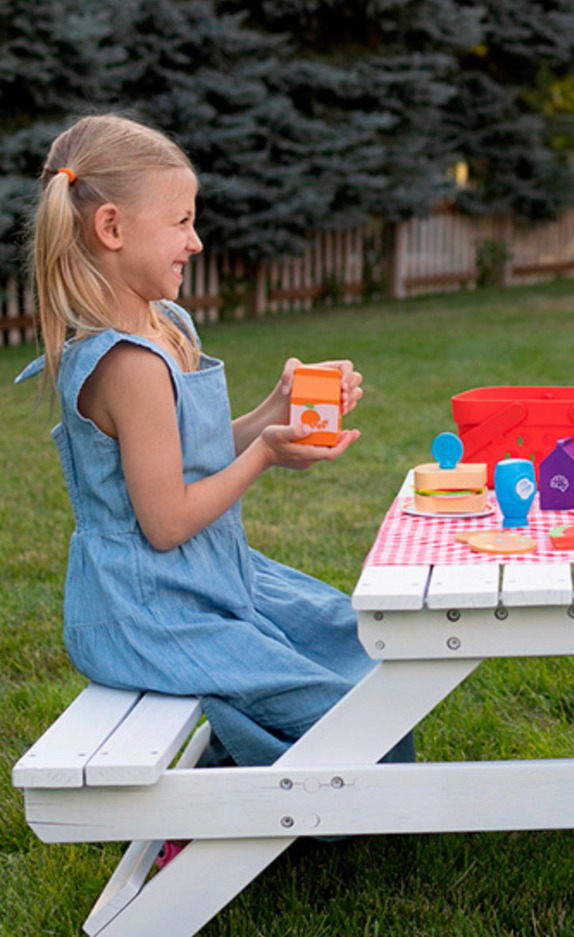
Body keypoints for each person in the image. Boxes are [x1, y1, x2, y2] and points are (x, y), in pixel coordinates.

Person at [17, 113, 413, 770]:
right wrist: (265, 454)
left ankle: (240, 778)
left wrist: (273, 412)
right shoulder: (127, 365)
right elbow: (167, 521)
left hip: (210, 577)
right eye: (180, 222)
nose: (196, 241)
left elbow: (187, 458)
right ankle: (211, 807)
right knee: (347, 713)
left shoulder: (165, 324)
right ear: (111, 227)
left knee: (354, 639)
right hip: (151, 611)